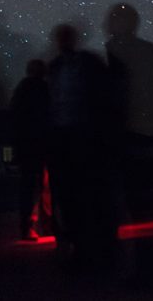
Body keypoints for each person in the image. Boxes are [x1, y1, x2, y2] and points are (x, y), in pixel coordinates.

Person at [104, 3, 153, 286]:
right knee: (146, 202)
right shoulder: (135, 50)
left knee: (144, 203)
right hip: (144, 132)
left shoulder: (122, 50)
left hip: (136, 133)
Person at [47, 23, 115, 268]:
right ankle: (82, 247)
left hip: (83, 138)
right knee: (72, 197)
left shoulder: (81, 64)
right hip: (67, 139)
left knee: (83, 195)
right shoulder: (58, 67)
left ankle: (89, 249)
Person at [11, 59, 52, 240]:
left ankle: (27, 226)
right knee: (43, 187)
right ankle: (45, 225)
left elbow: (15, 116)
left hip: (26, 145)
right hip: (42, 145)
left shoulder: (22, 89)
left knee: (28, 187)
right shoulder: (44, 90)